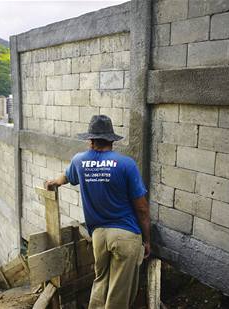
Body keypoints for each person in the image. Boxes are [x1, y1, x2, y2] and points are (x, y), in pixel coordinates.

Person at [46, 115, 150, 309]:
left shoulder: (79, 161)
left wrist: (53, 182)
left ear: (91, 140)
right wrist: (147, 239)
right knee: (119, 292)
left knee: (101, 282)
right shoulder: (126, 164)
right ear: (111, 140)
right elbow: (142, 208)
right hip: (125, 234)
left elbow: (65, 177)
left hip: (99, 236)